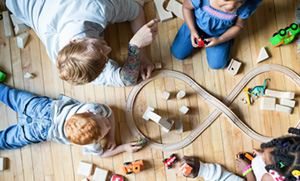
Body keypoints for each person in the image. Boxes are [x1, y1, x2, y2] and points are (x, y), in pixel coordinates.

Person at [6, 0, 159, 86]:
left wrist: (142, 52)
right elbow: (126, 80)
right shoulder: (66, 60)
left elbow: (136, 10)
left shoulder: (95, 8)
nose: (109, 48)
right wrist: (135, 48)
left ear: (76, 41)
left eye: (99, 46)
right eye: (105, 57)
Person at [0, 83, 142, 157]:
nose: (109, 124)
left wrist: (111, 137)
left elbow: (109, 114)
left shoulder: (94, 112)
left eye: (105, 125)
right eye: (106, 124)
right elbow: (103, 153)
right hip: (41, 115)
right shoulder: (93, 114)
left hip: (38, 121)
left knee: (8, 138)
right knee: (10, 96)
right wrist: (122, 147)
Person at [171, 0, 262, 69]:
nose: (231, 6)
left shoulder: (246, 6)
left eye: (240, 1)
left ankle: (228, 41)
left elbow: (239, 25)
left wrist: (221, 39)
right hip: (195, 27)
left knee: (217, 65)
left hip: (220, 35)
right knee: (177, 53)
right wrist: (192, 30)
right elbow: (186, 8)